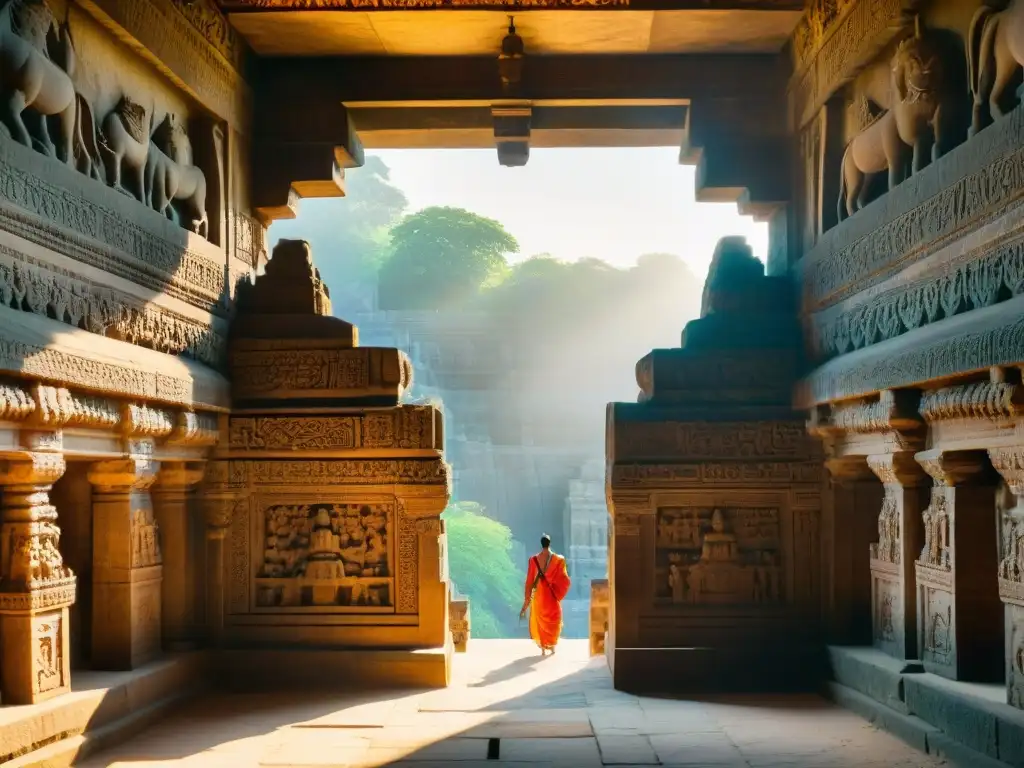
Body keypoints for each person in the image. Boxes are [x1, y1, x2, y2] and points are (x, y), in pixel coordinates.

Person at [520, 533, 571, 656]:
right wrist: (556, 587)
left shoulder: (533, 560)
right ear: (549, 544)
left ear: (541, 544)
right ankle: (552, 646)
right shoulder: (558, 560)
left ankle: (543, 647)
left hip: (539, 596)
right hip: (551, 595)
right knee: (554, 619)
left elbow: (530, 581)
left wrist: (526, 600)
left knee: (541, 620)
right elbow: (564, 580)